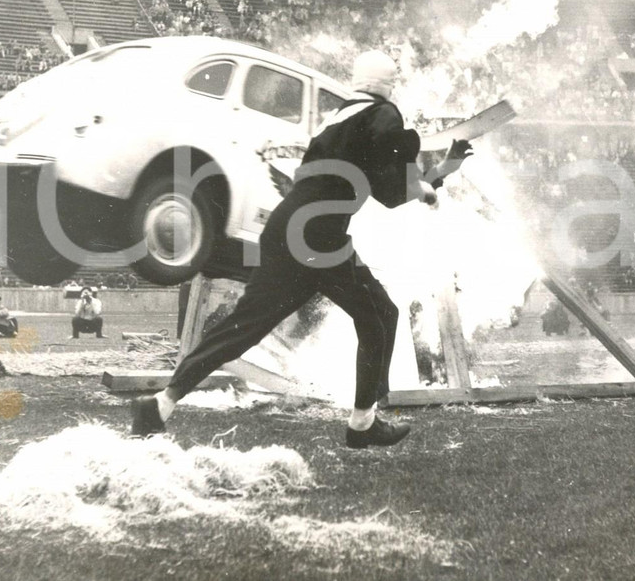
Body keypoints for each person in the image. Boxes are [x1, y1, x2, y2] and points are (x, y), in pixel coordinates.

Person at [130, 49, 473, 448]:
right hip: (319, 235)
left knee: (245, 327)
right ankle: (363, 422)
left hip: (286, 227)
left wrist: (439, 173)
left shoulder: (340, 115)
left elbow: (388, 188)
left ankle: (159, 404)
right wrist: (430, 182)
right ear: (386, 85)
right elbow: (396, 186)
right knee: (380, 314)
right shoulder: (384, 114)